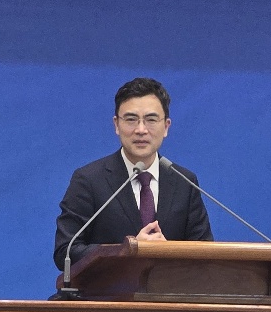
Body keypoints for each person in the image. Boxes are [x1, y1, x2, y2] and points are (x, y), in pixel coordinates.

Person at [53, 77, 212, 271]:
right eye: (131, 120)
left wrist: (168, 251)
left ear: (166, 126)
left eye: (151, 120)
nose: (141, 130)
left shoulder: (185, 182)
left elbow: (205, 254)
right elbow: (65, 251)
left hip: (169, 289)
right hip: (108, 289)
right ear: (116, 125)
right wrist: (126, 252)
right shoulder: (89, 180)